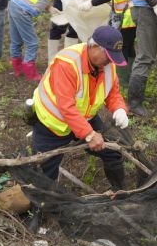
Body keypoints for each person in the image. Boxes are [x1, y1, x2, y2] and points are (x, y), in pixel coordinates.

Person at [31, 25, 130, 190]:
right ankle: (40, 210)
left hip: (84, 118)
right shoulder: (67, 64)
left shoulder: (107, 64)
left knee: (113, 152)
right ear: (93, 46)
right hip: (52, 125)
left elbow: (113, 93)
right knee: (45, 171)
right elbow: (66, 107)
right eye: (108, 55)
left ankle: (120, 192)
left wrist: (119, 109)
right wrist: (89, 134)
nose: (110, 61)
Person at [8, 0, 75, 80]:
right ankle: (30, 72)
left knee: (16, 41)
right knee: (32, 43)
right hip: (23, 10)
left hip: (14, 3)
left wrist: (49, 7)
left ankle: (17, 69)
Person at [79, 0, 137, 88]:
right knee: (127, 45)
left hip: (128, 14)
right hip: (122, 13)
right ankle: (127, 75)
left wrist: (91, 3)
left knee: (124, 46)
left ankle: (122, 80)